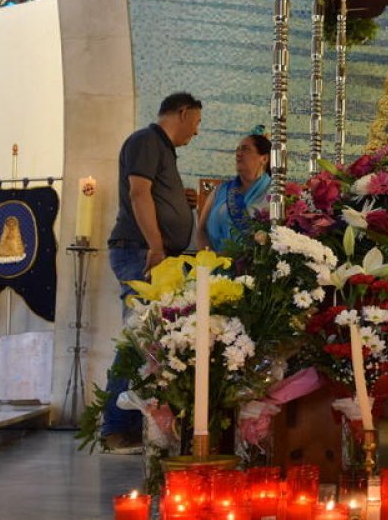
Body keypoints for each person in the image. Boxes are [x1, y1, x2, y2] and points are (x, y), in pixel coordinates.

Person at [100, 91, 202, 453]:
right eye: (197, 123)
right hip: (141, 254)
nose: (197, 132)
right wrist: (157, 247)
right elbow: (139, 193)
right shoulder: (146, 140)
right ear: (183, 111)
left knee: (147, 343)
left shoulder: (161, 149)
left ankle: (131, 426)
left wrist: (180, 199)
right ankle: (115, 428)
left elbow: (152, 193)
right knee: (136, 340)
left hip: (151, 253)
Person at [197, 128, 271, 252]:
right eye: (237, 149)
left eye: (246, 149)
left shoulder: (275, 193)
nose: (238, 153)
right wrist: (209, 260)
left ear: (264, 158)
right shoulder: (220, 190)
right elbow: (201, 230)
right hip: (217, 266)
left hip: (258, 268)